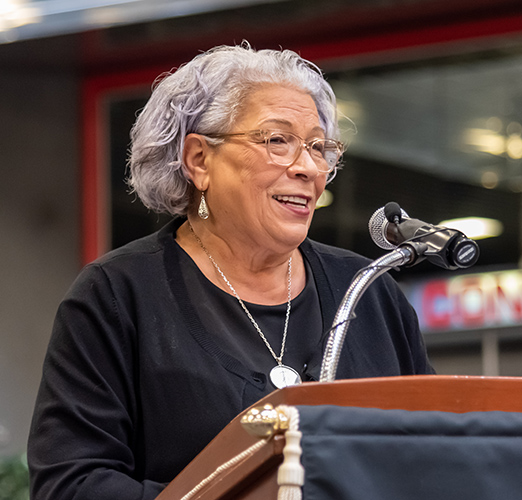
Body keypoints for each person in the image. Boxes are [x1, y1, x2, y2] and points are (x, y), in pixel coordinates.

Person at [27, 43, 435, 500]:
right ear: (199, 160)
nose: (308, 167)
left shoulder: (367, 291)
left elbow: (436, 454)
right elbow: (71, 485)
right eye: (277, 140)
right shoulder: (117, 296)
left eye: (320, 147)